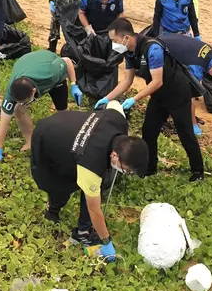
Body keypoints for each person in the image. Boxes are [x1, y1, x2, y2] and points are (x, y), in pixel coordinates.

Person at [100, 19, 210, 180]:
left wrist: (134, 99)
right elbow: (127, 81)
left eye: (114, 40)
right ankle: (150, 168)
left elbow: (158, 81)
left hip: (177, 94)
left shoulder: (152, 48)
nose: (113, 44)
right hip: (158, 96)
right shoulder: (129, 52)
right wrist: (106, 98)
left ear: (126, 38)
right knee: (149, 131)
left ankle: (198, 172)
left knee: (185, 133)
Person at [30, 101, 149, 250]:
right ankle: (52, 210)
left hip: (68, 125)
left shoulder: (118, 120)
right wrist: (105, 240)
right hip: (48, 137)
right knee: (60, 186)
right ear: (114, 156)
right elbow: (94, 209)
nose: (126, 173)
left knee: (97, 184)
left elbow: (114, 103)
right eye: (126, 170)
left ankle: (83, 231)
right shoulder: (92, 163)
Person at [0, 50, 83, 161]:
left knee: (63, 113)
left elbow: (67, 61)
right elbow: (4, 122)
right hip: (26, 63)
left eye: (25, 101)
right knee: (18, 110)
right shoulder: (11, 92)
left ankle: (68, 141)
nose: (22, 104)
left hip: (49, 69)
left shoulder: (51, 73)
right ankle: (31, 142)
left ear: (34, 91)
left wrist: (74, 85)